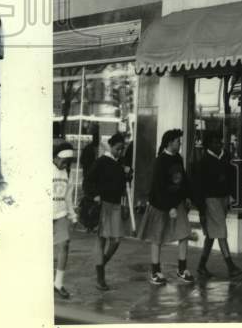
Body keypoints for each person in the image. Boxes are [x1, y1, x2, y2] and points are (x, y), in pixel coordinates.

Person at [136, 128, 194, 285]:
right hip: (160, 205)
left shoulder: (178, 158)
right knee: (157, 237)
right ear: (169, 143)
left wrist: (187, 196)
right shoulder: (160, 161)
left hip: (177, 202)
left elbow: (183, 180)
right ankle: (155, 272)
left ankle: (182, 269)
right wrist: (170, 207)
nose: (180, 144)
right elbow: (158, 187)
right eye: (178, 141)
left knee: (184, 234)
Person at [190, 130, 242, 280]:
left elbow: (231, 178)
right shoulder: (203, 163)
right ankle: (230, 266)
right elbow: (198, 188)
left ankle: (201, 266)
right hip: (211, 200)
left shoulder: (225, 157)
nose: (218, 144)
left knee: (211, 234)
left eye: (219, 141)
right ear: (209, 144)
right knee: (221, 231)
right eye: (215, 142)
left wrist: (232, 196)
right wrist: (202, 209)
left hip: (223, 199)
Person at [87, 132, 132, 291]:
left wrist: (128, 174)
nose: (120, 152)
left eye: (122, 150)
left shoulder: (120, 164)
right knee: (102, 240)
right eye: (118, 149)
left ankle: (101, 264)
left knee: (116, 240)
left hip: (116, 205)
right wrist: (96, 195)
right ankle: (100, 277)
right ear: (111, 146)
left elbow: (123, 187)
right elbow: (88, 181)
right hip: (103, 205)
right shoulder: (101, 162)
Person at [52, 141, 77, 299]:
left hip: (60, 214)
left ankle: (58, 283)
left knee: (64, 244)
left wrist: (72, 215)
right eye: (62, 161)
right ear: (55, 157)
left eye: (67, 162)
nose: (64, 164)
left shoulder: (67, 173)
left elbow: (68, 197)